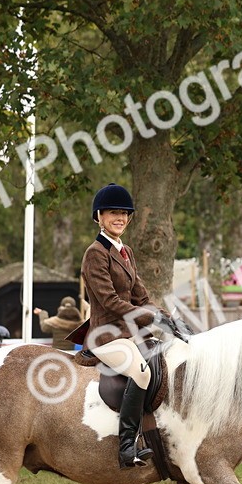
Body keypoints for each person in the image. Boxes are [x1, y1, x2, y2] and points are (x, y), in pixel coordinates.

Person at [75, 183, 158, 468]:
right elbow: (109, 300)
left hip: (129, 334)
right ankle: (126, 446)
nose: (120, 218)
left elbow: (141, 295)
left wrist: (162, 314)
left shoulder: (127, 252)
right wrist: (146, 316)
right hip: (106, 336)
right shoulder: (95, 254)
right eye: (113, 213)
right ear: (99, 216)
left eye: (124, 213)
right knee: (142, 372)